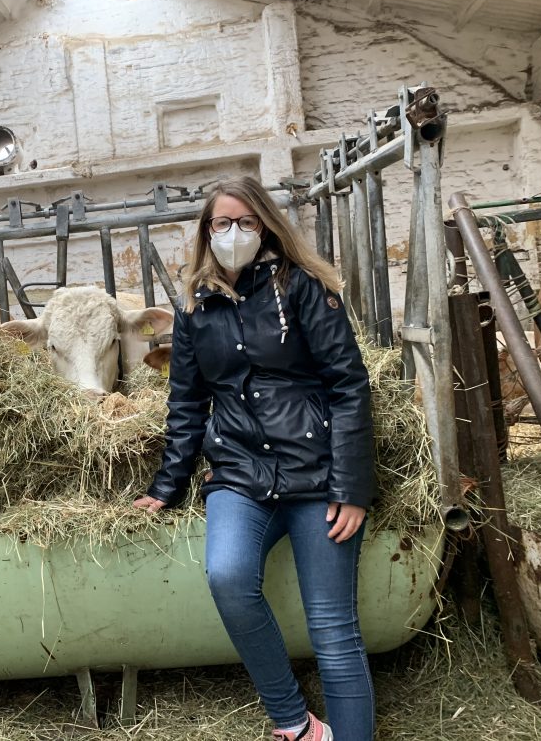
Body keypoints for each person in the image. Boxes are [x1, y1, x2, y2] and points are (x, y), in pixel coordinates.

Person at [133, 176, 375, 741]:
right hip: (239, 474)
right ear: (206, 231)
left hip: (317, 474)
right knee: (228, 577)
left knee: (333, 631)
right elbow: (188, 401)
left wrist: (352, 486)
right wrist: (167, 486)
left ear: (265, 225)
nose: (233, 232)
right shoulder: (196, 307)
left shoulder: (305, 288)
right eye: (222, 223)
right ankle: (296, 723)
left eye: (245, 222)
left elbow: (348, 385)